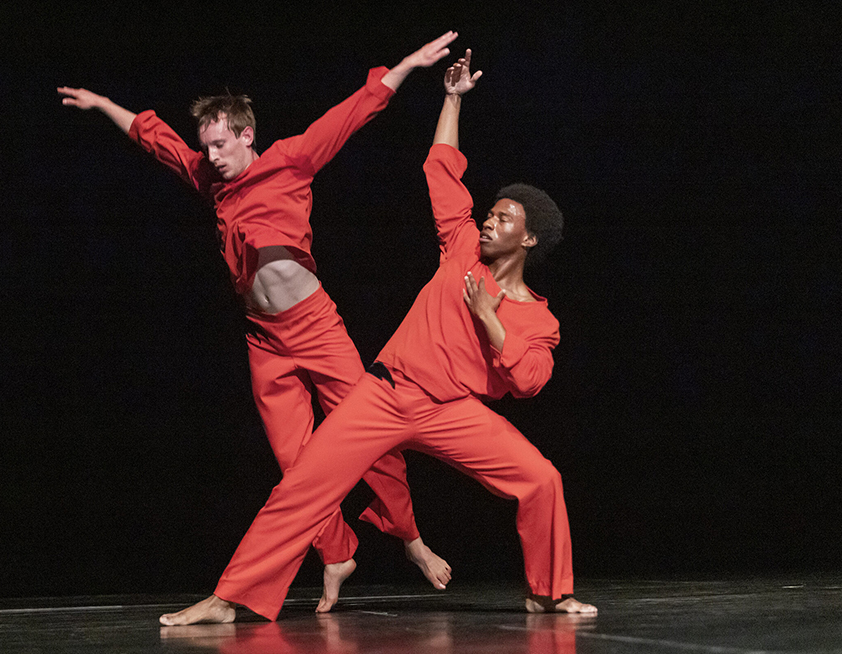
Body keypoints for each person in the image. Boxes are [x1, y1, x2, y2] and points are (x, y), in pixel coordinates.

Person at [158, 49, 597, 625]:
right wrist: (452, 98)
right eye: (490, 212)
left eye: (505, 218)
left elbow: (529, 380)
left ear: (530, 241)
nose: (490, 220)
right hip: (384, 394)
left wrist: (490, 318)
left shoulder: (540, 319)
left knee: (541, 478)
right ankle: (229, 598)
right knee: (302, 489)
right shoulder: (461, 245)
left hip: (453, 412)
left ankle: (548, 592)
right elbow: (441, 165)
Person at [57, 33, 461, 612]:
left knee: (374, 441)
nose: (212, 155)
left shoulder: (290, 160)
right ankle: (338, 554)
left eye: (221, 144)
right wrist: (102, 104)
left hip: (317, 328)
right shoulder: (207, 178)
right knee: (297, 466)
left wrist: (406, 67)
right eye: (207, 146)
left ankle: (412, 541)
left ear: (247, 135)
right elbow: (156, 138)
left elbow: (349, 115)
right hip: (264, 339)